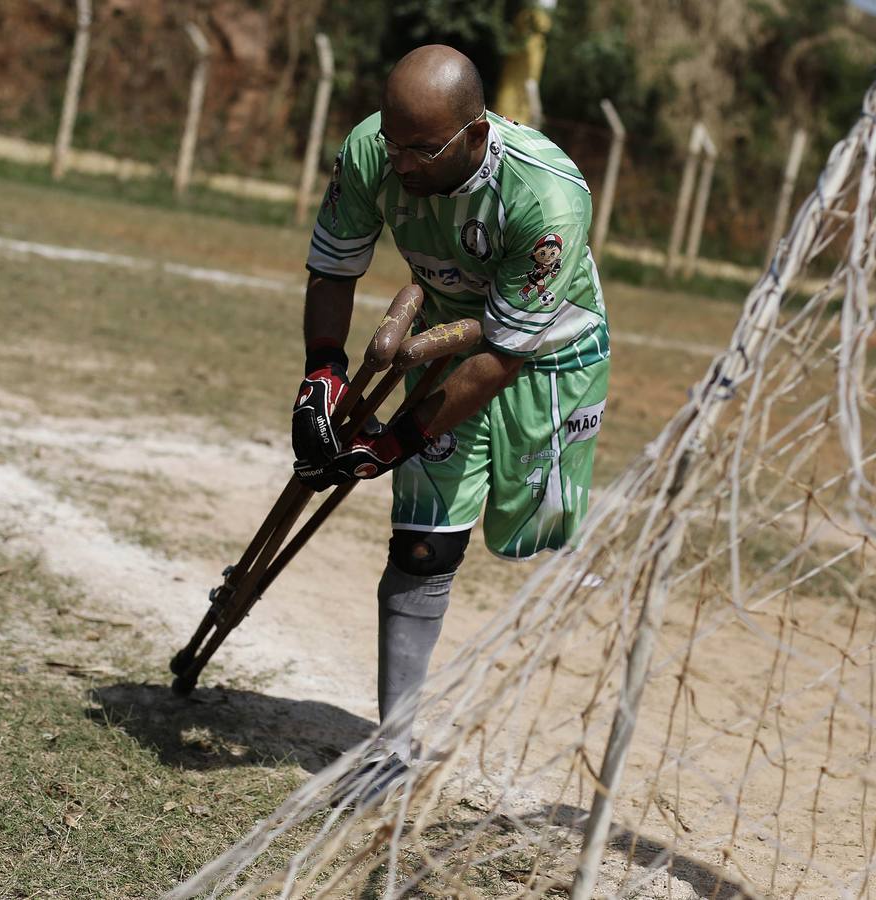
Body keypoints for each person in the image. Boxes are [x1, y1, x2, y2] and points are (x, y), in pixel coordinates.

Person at [290, 45, 610, 791]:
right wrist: (322, 374)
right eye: (393, 143)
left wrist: (397, 440)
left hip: (546, 352)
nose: (401, 164)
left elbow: (500, 357)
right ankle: (391, 750)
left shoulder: (548, 198)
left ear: (476, 134)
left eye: (422, 150)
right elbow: (333, 266)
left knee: (530, 531)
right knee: (425, 546)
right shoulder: (372, 151)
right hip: (444, 340)